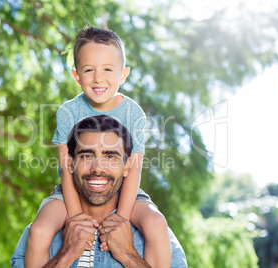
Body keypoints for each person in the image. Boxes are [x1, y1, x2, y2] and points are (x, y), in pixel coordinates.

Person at [26, 26, 170, 267]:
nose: (98, 78)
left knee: (156, 223)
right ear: (77, 76)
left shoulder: (133, 113)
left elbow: (133, 170)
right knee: (40, 230)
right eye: (89, 70)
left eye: (107, 69)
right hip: (72, 188)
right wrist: (76, 217)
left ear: (122, 75)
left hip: (125, 190)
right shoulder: (68, 112)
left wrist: (121, 219)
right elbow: (67, 169)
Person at [10, 115, 187, 267]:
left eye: (110, 157)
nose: (97, 168)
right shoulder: (42, 235)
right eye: (86, 155)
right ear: (70, 164)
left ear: (126, 167)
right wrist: (67, 253)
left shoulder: (154, 238)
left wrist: (128, 255)